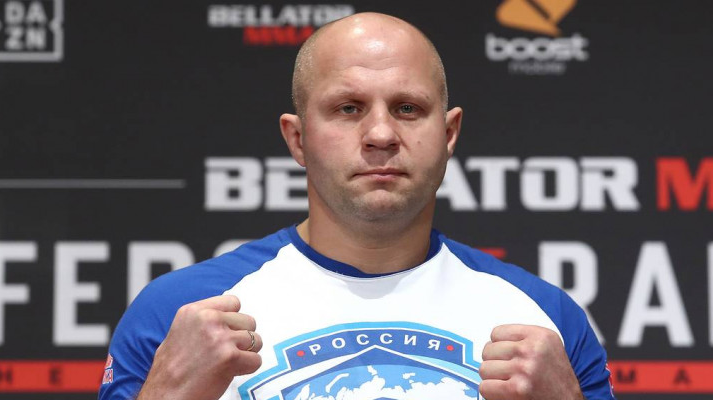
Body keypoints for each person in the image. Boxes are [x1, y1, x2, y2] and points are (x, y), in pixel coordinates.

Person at [99, 12, 614, 400]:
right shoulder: (181, 311)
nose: (381, 134)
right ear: (297, 139)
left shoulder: (544, 318)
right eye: (348, 108)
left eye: (407, 108)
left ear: (449, 133)